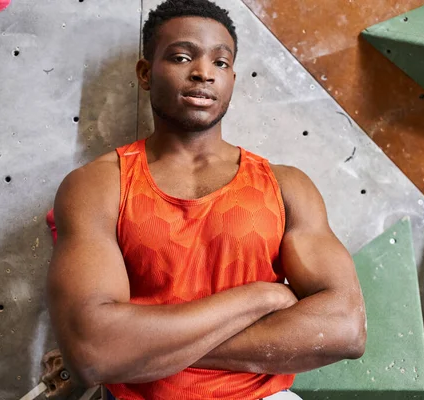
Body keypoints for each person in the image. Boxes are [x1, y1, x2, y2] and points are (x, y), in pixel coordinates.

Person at [45, 1, 366, 399]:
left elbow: (345, 329)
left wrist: (143, 349)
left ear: (232, 77)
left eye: (222, 63)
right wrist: (262, 297)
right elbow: (94, 352)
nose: (203, 73)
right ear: (146, 73)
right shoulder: (98, 186)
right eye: (182, 57)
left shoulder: (287, 186)